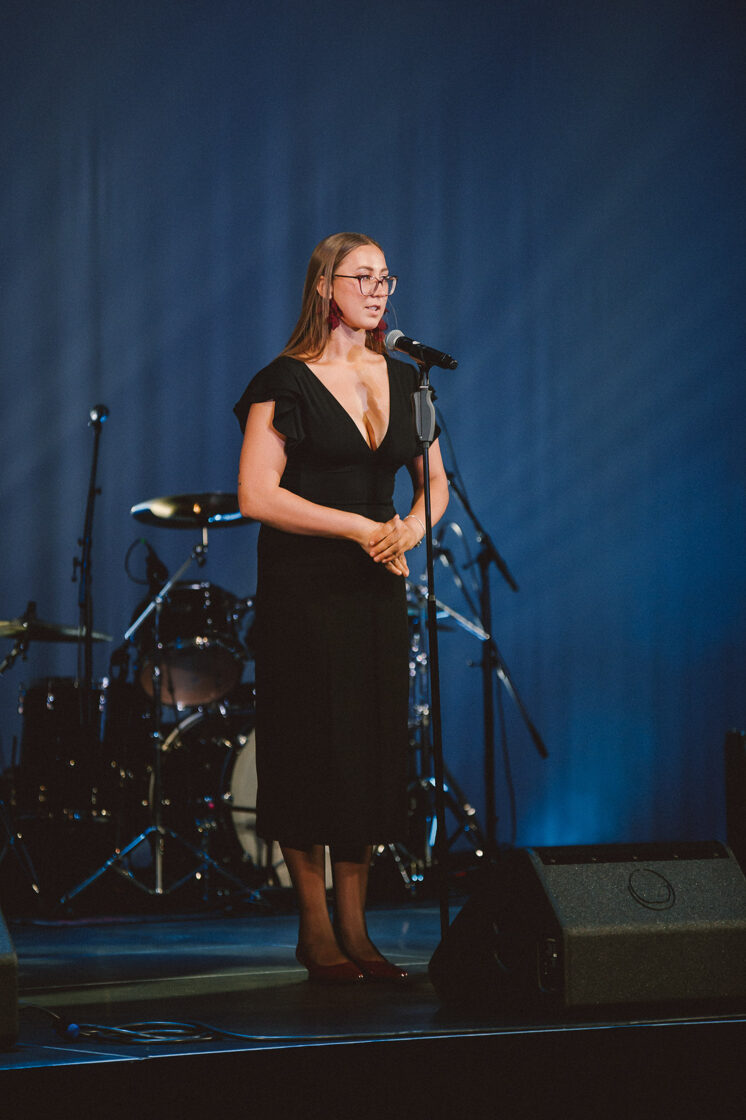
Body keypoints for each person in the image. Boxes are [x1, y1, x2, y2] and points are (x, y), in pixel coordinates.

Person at [234, 232, 449, 982]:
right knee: (307, 747)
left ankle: (357, 929)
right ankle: (315, 927)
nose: (378, 290)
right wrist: (359, 527)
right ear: (326, 285)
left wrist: (408, 531)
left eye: (386, 277)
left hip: (374, 587)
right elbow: (256, 494)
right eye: (363, 277)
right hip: (305, 586)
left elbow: (435, 485)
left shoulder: (408, 378)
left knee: (367, 750)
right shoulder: (284, 380)